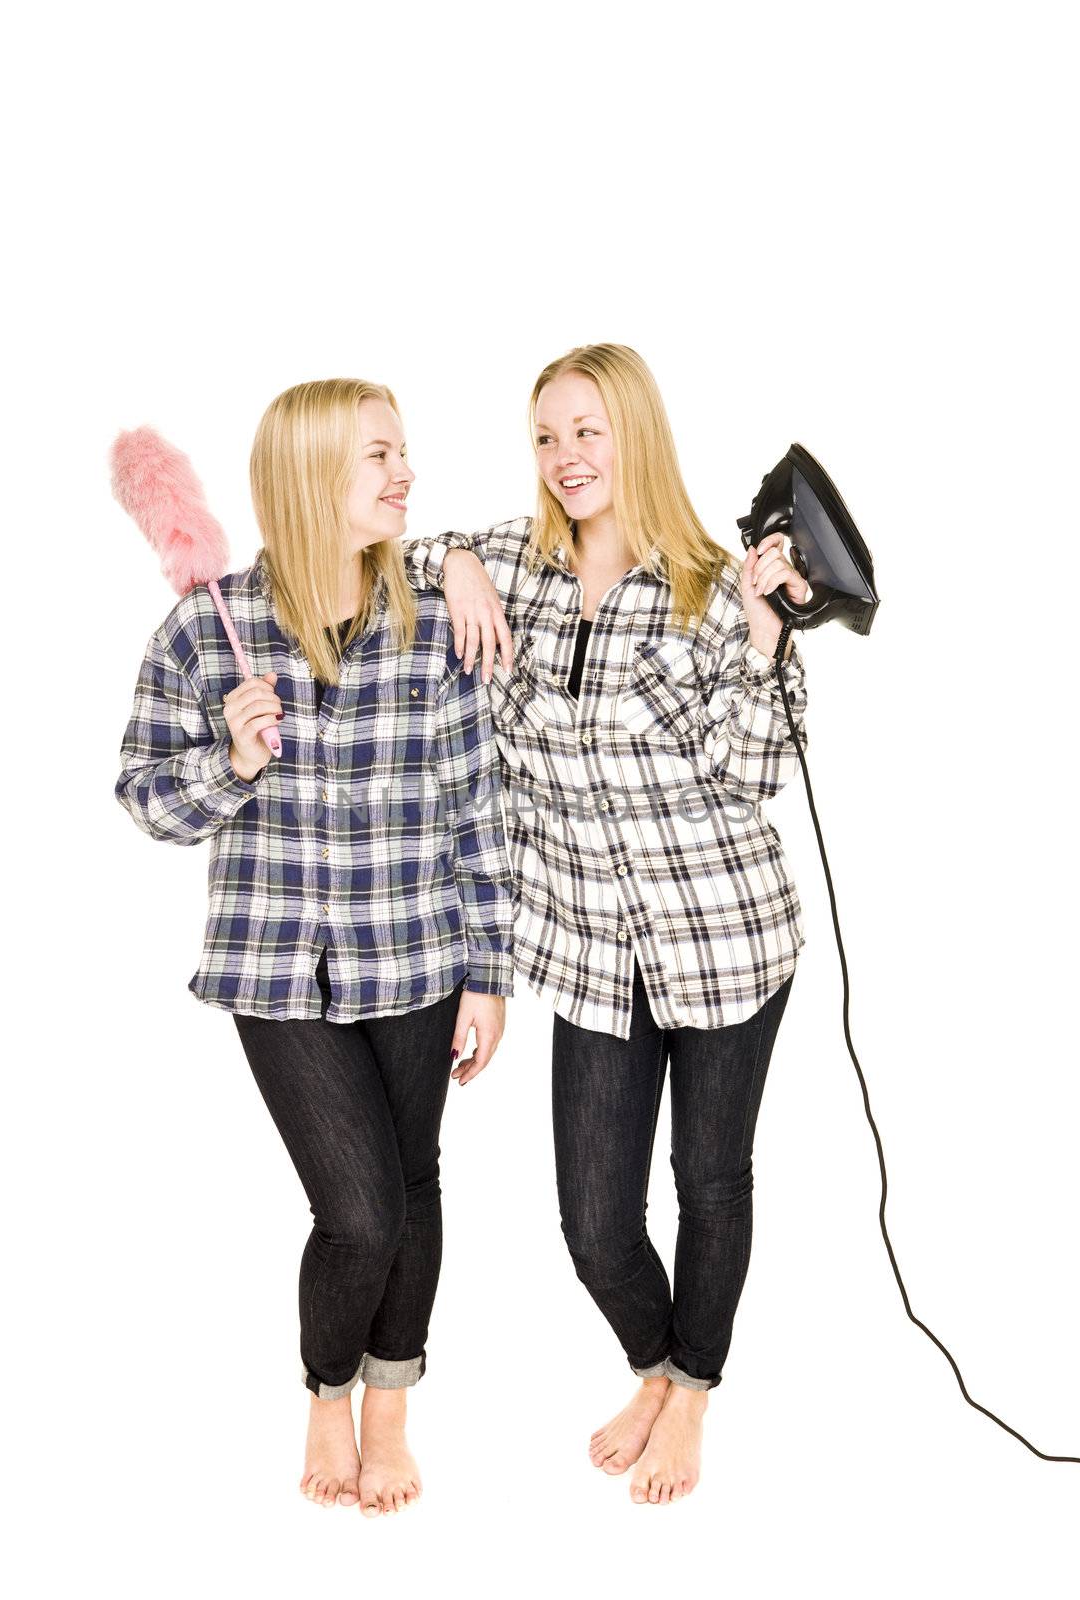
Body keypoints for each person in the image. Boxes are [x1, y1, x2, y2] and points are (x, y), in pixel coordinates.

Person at [401, 343, 810, 1505]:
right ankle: (653, 1358)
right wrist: (465, 562)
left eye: (587, 430)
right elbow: (400, 550)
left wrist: (763, 632)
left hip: (725, 939)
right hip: (586, 949)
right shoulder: (520, 570)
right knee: (594, 1221)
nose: (566, 457)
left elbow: (755, 768)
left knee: (709, 1181)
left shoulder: (707, 580)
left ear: (635, 433)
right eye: (546, 436)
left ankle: (691, 1389)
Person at [115, 379, 514, 1517]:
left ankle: (389, 1402)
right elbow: (145, 800)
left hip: (417, 956)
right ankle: (325, 1386)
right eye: (379, 456)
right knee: (360, 1210)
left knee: (415, 1184)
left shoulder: (438, 622)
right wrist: (229, 763)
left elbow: (477, 807)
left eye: (404, 452)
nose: (405, 473)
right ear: (310, 475)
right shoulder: (205, 631)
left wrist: (488, 971)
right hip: (273, 965)